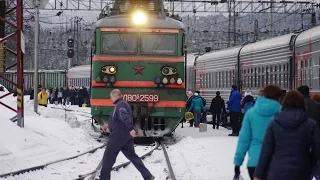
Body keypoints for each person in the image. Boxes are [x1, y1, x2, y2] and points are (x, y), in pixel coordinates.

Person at [254, 90, 320, 180]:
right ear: (302, 104)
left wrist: (258, 174)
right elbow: (317, 150)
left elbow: (265, 151)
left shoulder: (274, 124)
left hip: (276, 172)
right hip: (301, 172)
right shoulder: (310, 125)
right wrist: (309, 163)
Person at [100, 89, 154, 180]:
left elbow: (124, 116)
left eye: (111, 97)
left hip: (117, 137)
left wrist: (130, 128)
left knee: (108, 159)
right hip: (126, 138)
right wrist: (108, 124)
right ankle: (147, 176)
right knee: (134, 157)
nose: (110, 98)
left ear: (115, 96)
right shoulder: (122, 104)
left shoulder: (120, 105)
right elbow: (118, 119)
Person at [233, 85, 282, 180]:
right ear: (279, 97)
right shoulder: (282, 114)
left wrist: (237, 163)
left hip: (254, 163)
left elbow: (244, 140)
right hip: (277, 163)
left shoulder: (251, 113)